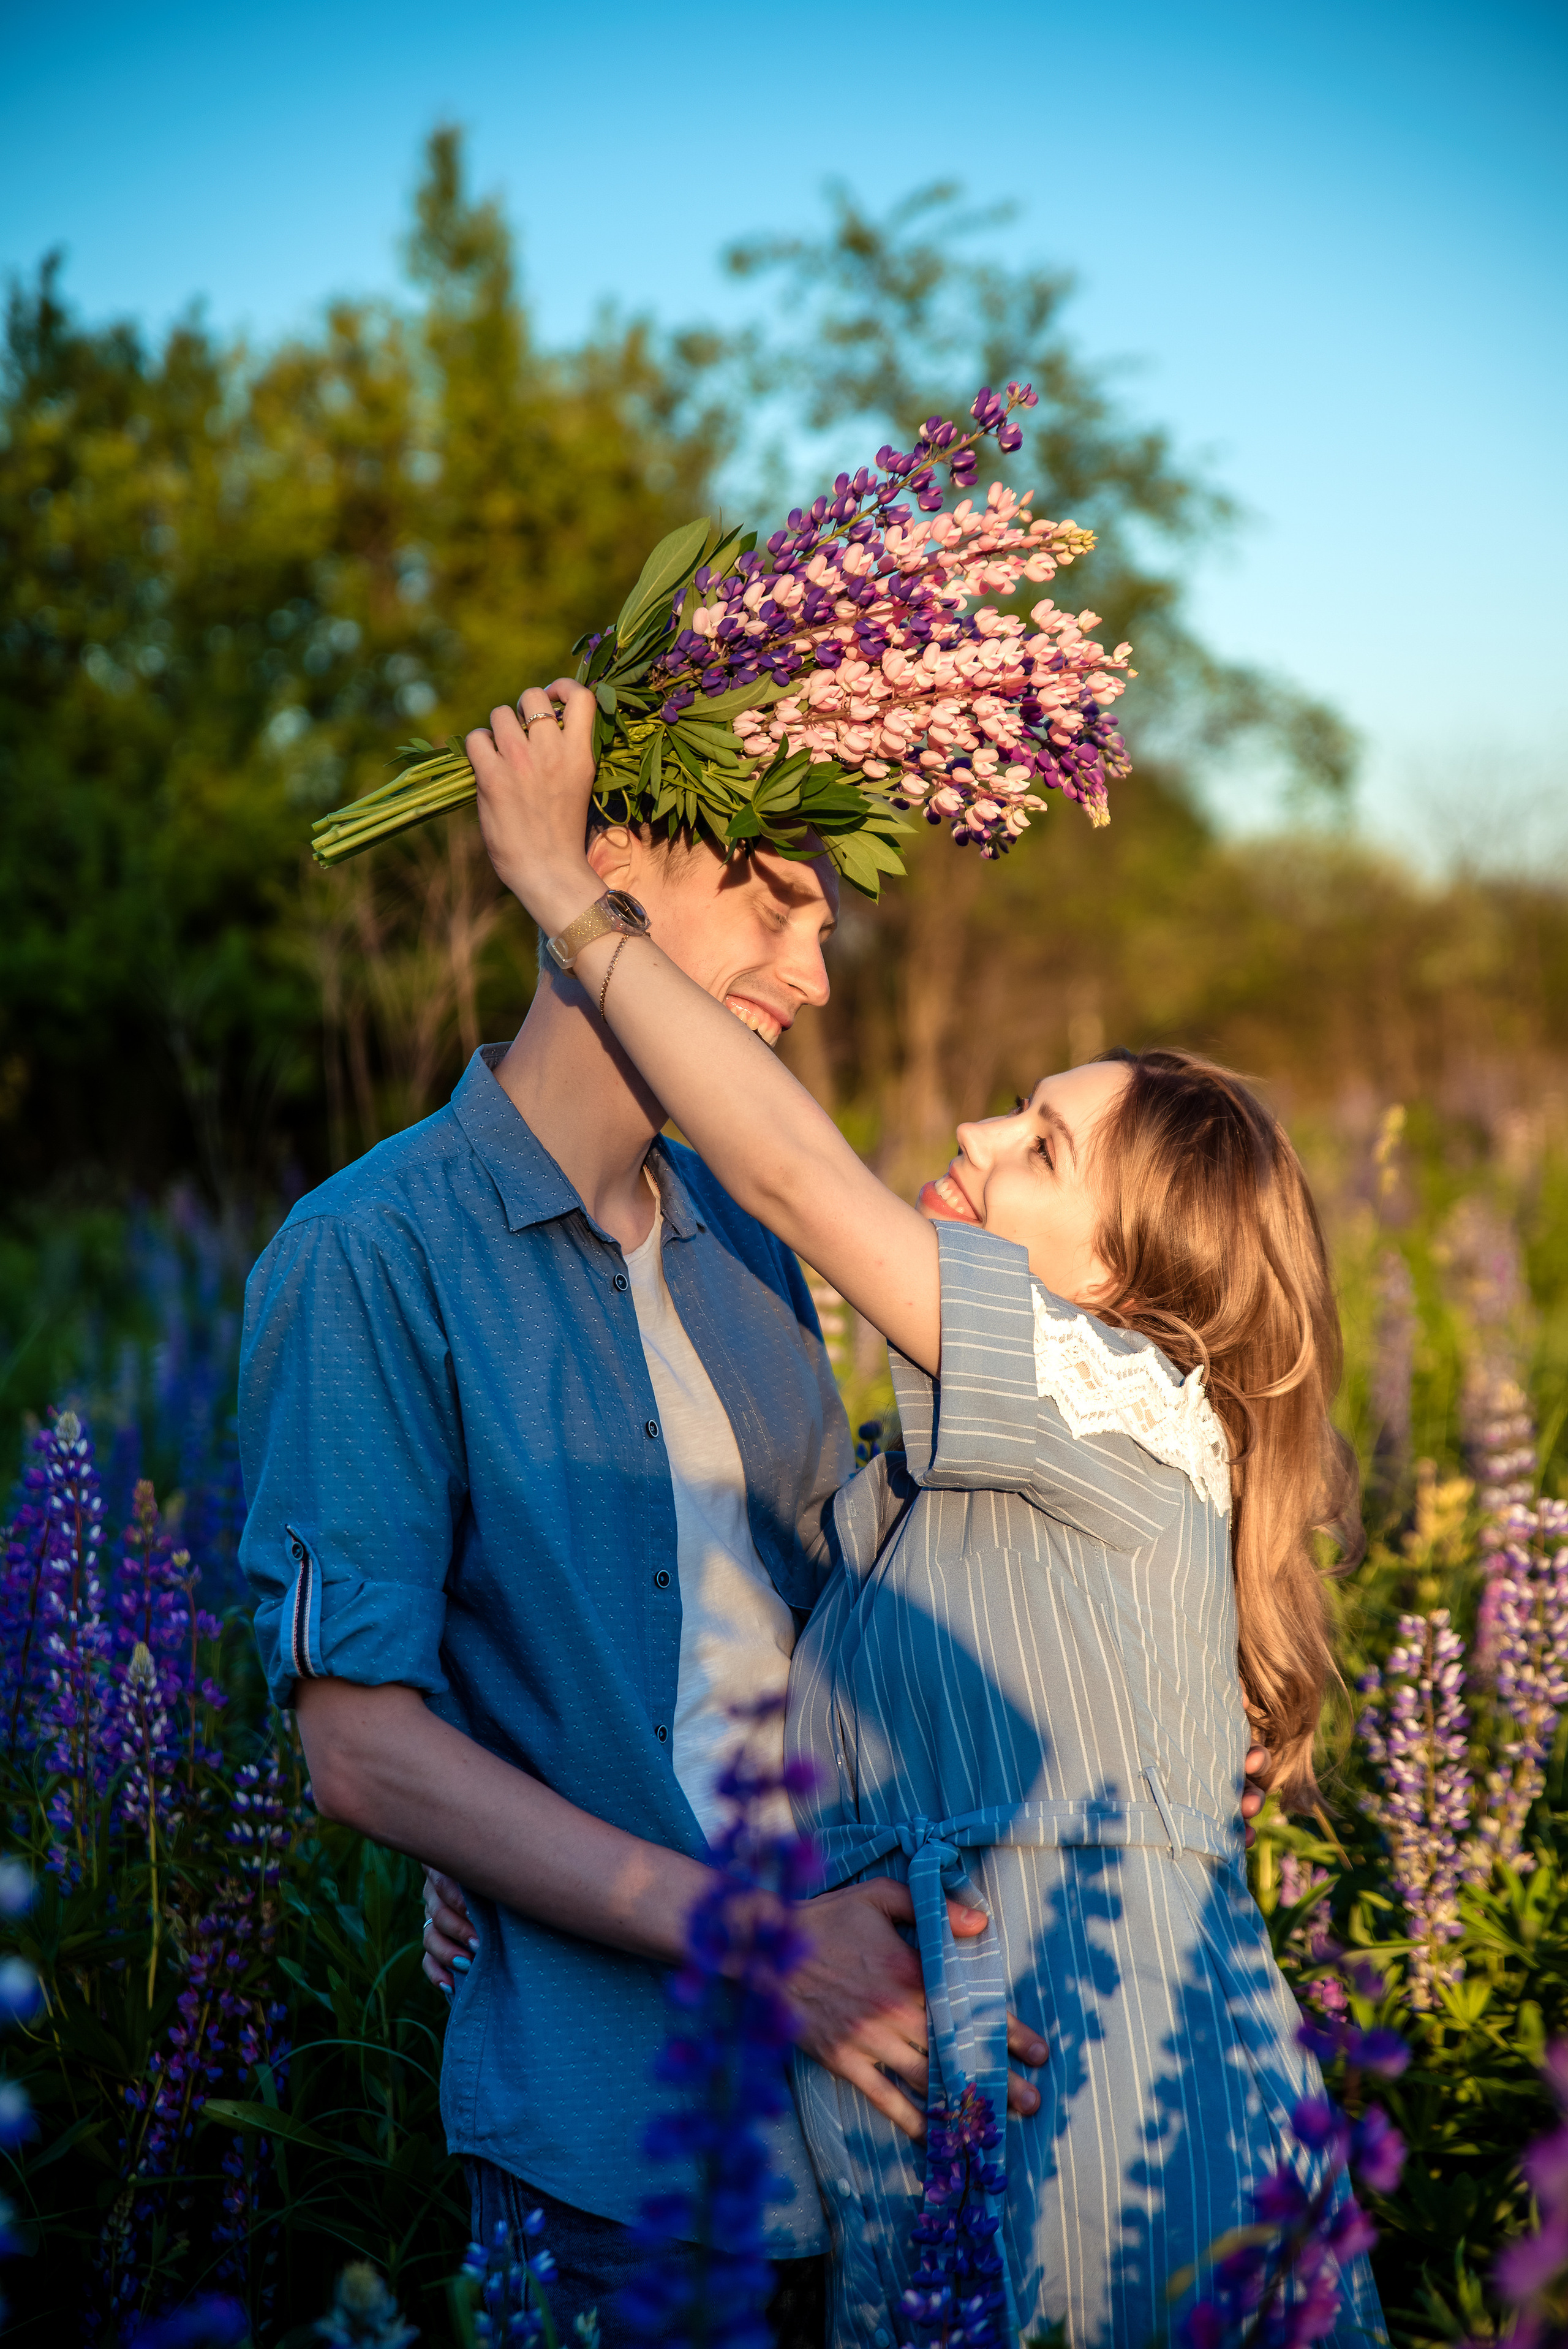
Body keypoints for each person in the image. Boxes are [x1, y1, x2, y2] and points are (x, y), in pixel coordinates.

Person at [462, 676, 1385, 2348]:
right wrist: (495, 1852)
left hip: (1126, 2117)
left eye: (1039, 1145)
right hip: (957, 2154)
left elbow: (799, 1182)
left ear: (1124, 1280)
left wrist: (565, 899)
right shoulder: (927, 1485)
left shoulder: (1122, 1401)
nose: (971, 1134)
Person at [238, 790, 1054, 2343]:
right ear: (600, 875)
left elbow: (805, 1643)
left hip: (868, 2120)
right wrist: (762, 1953)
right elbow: (357, 1748)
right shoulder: (371, 1248)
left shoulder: (744, 1245)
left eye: (828, 926)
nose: (816, 975)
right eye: (772, 907)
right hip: (612, 2154)